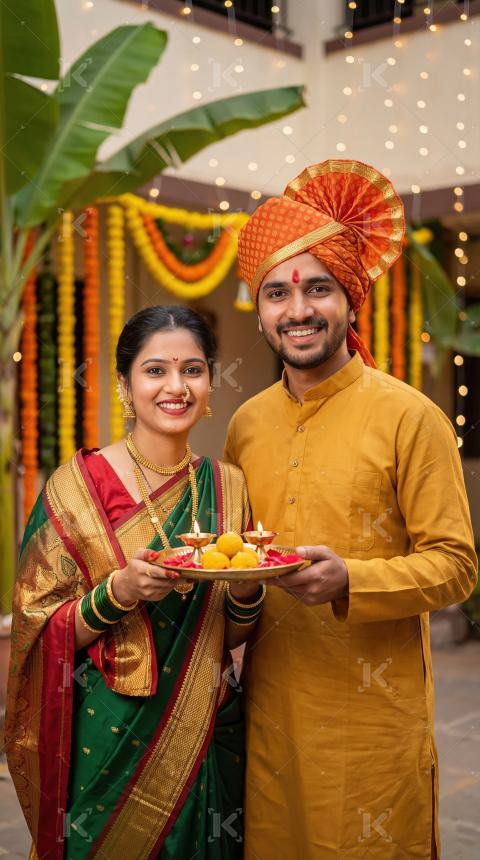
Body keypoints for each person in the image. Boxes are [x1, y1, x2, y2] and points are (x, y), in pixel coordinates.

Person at [224, 159, 477, 859]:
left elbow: (456, 567)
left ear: (351, 299)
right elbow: (242, 557)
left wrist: (352, 581)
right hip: (272, 710)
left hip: (373, 722)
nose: (297, 309)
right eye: (276, 292)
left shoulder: (410, 417)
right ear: (261, 307)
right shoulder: (245, 423)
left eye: (318, 289)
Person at [6, 305, 262, 860]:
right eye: (155, 370)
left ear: (211, 380)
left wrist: (246, 592)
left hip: (205, 730)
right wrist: (116, 593)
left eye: (193, 369)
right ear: (125, 384)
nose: (177, 387)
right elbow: (35, 630)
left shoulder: (229, 486)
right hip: (107, 737)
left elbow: (233, 636)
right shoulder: (75, 490)